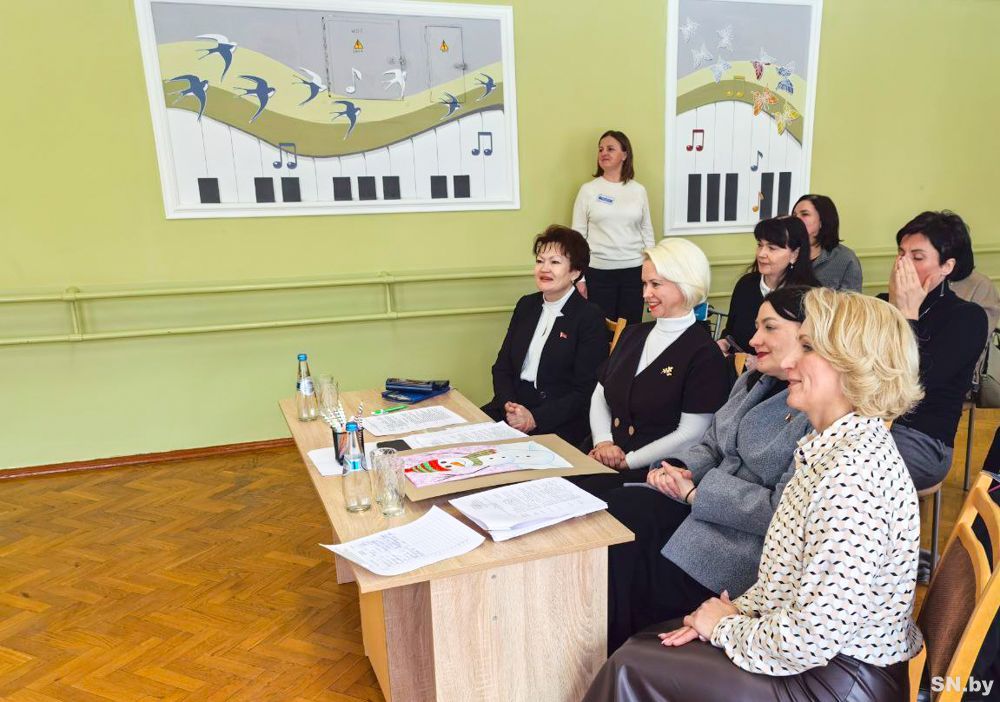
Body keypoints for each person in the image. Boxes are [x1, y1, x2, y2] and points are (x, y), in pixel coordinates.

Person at [584, 289, 925, 702]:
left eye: (807, 348)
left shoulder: (853, 477)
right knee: (637, 652)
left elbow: (812, 638)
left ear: (853, 366)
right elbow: (785, 583)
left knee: (630, 667)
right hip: (807, 655)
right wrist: (729, 613)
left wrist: (725, 627)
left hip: (834, 679)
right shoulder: (830, 447)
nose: (790, 362)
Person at [599, 286, 814, 653]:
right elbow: (712, 444)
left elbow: (780, 511)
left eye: (769, 328)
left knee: (627, 553)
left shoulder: (816, 407)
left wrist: (698, 493)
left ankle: (619, 652)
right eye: (756, 327)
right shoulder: (753, 381)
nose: (753, 339)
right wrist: (679, 469)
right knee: (617, 509)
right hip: (702, 512)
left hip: (741, 546)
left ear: (808, 335)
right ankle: (599, 647)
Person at [588, 238, 728, 470]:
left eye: (655, 284)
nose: (646, 294)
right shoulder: (631, 334)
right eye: (644, 284)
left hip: (655, 471)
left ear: (686, 284)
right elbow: (600, 394)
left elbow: (691, 434)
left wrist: (628, 462)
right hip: (602, 455)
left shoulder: (705, 354)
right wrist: (603, 442)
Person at [881, 210, 989, 489]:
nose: (902, 264)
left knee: (849, 473)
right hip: (868, 423)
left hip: (921, 437)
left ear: (947, 266)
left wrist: (907, 316)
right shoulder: (882, 304)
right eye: (900, 253)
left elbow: (914, 384)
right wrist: (893, 309)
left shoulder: (967, 317)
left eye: (917, 257)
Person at [481, 225, 608, 446]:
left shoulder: (588, 316)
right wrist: (509, 406)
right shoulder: (526, 305)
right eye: (540, 261)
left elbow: (586, 391)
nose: (544, 268)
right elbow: (502, 367)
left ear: (575, 272)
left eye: (555, 262)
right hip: (512, 407)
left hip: (557, 419)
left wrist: (534, 418)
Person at [572, 130, 655, 324]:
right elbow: (577, 237)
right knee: (600, 330)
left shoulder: (638, 190)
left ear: (625, 155)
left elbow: (647, 232)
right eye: (600, 149)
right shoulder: (588, 190)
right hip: (598, 273)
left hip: (634, 272)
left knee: (630, 331)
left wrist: (651, 272)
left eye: (610, 149)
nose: (604, 153)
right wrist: (580, 278)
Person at [717, 216, 819, 356]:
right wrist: (725, 343)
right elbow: (731, 331)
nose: (761, 254)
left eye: (772, 248)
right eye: (760, 245)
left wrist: (760, 362)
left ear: (794, 254)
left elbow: (810, 351)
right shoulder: (746, 284)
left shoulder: (809, 296)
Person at [792, 194, 863, 291]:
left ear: (822, 220)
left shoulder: (845, 258)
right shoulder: (784, 250)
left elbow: (851, 299)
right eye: (794, 215)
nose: (796, 219)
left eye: (805, 214)